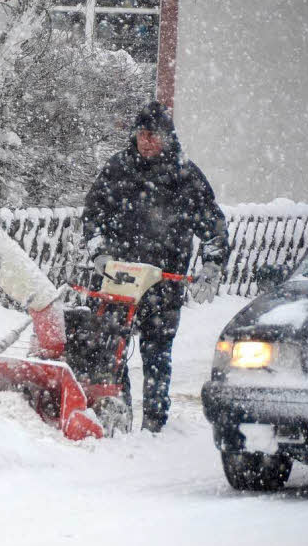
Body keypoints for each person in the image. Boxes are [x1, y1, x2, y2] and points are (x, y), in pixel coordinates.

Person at [82, 101, 230, 432]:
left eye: (153, 136)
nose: (146, 141)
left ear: (167, 137)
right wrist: (99, 253)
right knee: (111, 349)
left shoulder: (185, 176)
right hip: (120, 278)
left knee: (157, 353)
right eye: (141, 135)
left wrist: (212, 266)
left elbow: (211, 225)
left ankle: (154, 423)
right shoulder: (119, 169)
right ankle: (117, 413)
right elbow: (94, 214)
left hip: (164, 282)